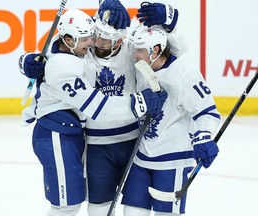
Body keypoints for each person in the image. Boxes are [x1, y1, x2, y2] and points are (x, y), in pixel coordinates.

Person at [20, 1, 188, 215]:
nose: (99, 43)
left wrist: (171, 26)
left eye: (108, 40)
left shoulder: (131, 51)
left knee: (136, 208)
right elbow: (58, 50)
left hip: (133, 140)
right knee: (98, 209)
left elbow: (175, 51)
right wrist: (27, 61)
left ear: (121, 39)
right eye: (97, 36)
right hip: (96, 143)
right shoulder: (82, 50)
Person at [120, 24, 221, 216]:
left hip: (172, 160)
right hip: (142, 156)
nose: (134, 54)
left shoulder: (184, 75)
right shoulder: (141, 66)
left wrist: (204, 136)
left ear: (155, 50)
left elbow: (208, 112)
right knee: (131, 212)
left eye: (139, 50)